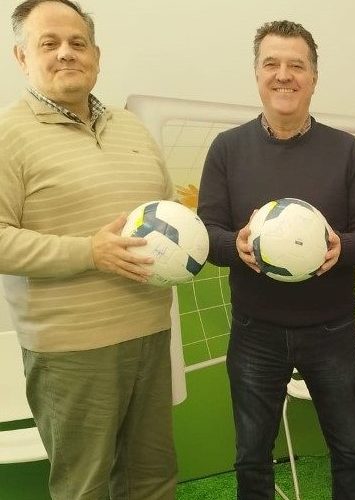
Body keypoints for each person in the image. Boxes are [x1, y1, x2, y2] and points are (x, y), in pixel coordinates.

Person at [197, 20, 355, 500]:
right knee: (252, 456)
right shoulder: (226, 150)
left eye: (296, 66)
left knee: (349, 450)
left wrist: (341, 248)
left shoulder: (346, 150)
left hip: (332, 331)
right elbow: (207, 236)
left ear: (313, 77)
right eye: (272, 64)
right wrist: (234, 247)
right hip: (255, 332)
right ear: (257, 74)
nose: (284, 75)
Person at [0, 1, 178, 498]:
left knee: (153, 478)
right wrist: (89, 252)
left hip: (150, 333)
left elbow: (167, 211)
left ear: (96, 55)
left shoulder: (130, 125)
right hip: (71, 352)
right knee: (85, 486)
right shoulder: (7, 136)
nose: (66, 53)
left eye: (78, 43)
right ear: (22, 57)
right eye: (49, 43)